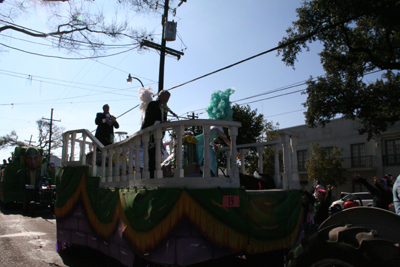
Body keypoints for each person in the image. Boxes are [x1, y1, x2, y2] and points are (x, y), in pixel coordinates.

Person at [195, 88, 234, 176]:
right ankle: (210, 175)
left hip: (200, 142)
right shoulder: (218, 126)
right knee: (211, 160)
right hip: (202, 143)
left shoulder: (213, 124)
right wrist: (234, 147)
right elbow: (226, 140)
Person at [141, 90, 172, 178]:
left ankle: (155, 175)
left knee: (157, 156)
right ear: (159, 97)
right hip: (150, 135)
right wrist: (160, 123)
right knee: (151, 156)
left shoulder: (164, 107)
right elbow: (148, 120)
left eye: (167, 98)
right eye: (164, 97)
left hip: (159, 136)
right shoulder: (153, 105)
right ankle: (150, 176)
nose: (166, 99)